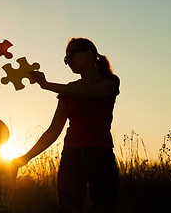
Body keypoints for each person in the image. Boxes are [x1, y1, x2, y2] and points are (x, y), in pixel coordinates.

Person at [17, 38, 120, 213]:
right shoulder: (68, 90)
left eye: (71, 55)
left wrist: (48, 85)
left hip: (100, 155)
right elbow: (53, 130)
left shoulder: (110, 81)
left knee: (105, 207)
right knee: (69, 209)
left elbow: (91, 93)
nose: (68, 61)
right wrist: (25, 157)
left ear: (89, 54)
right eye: (66, 59)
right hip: (72, 156)